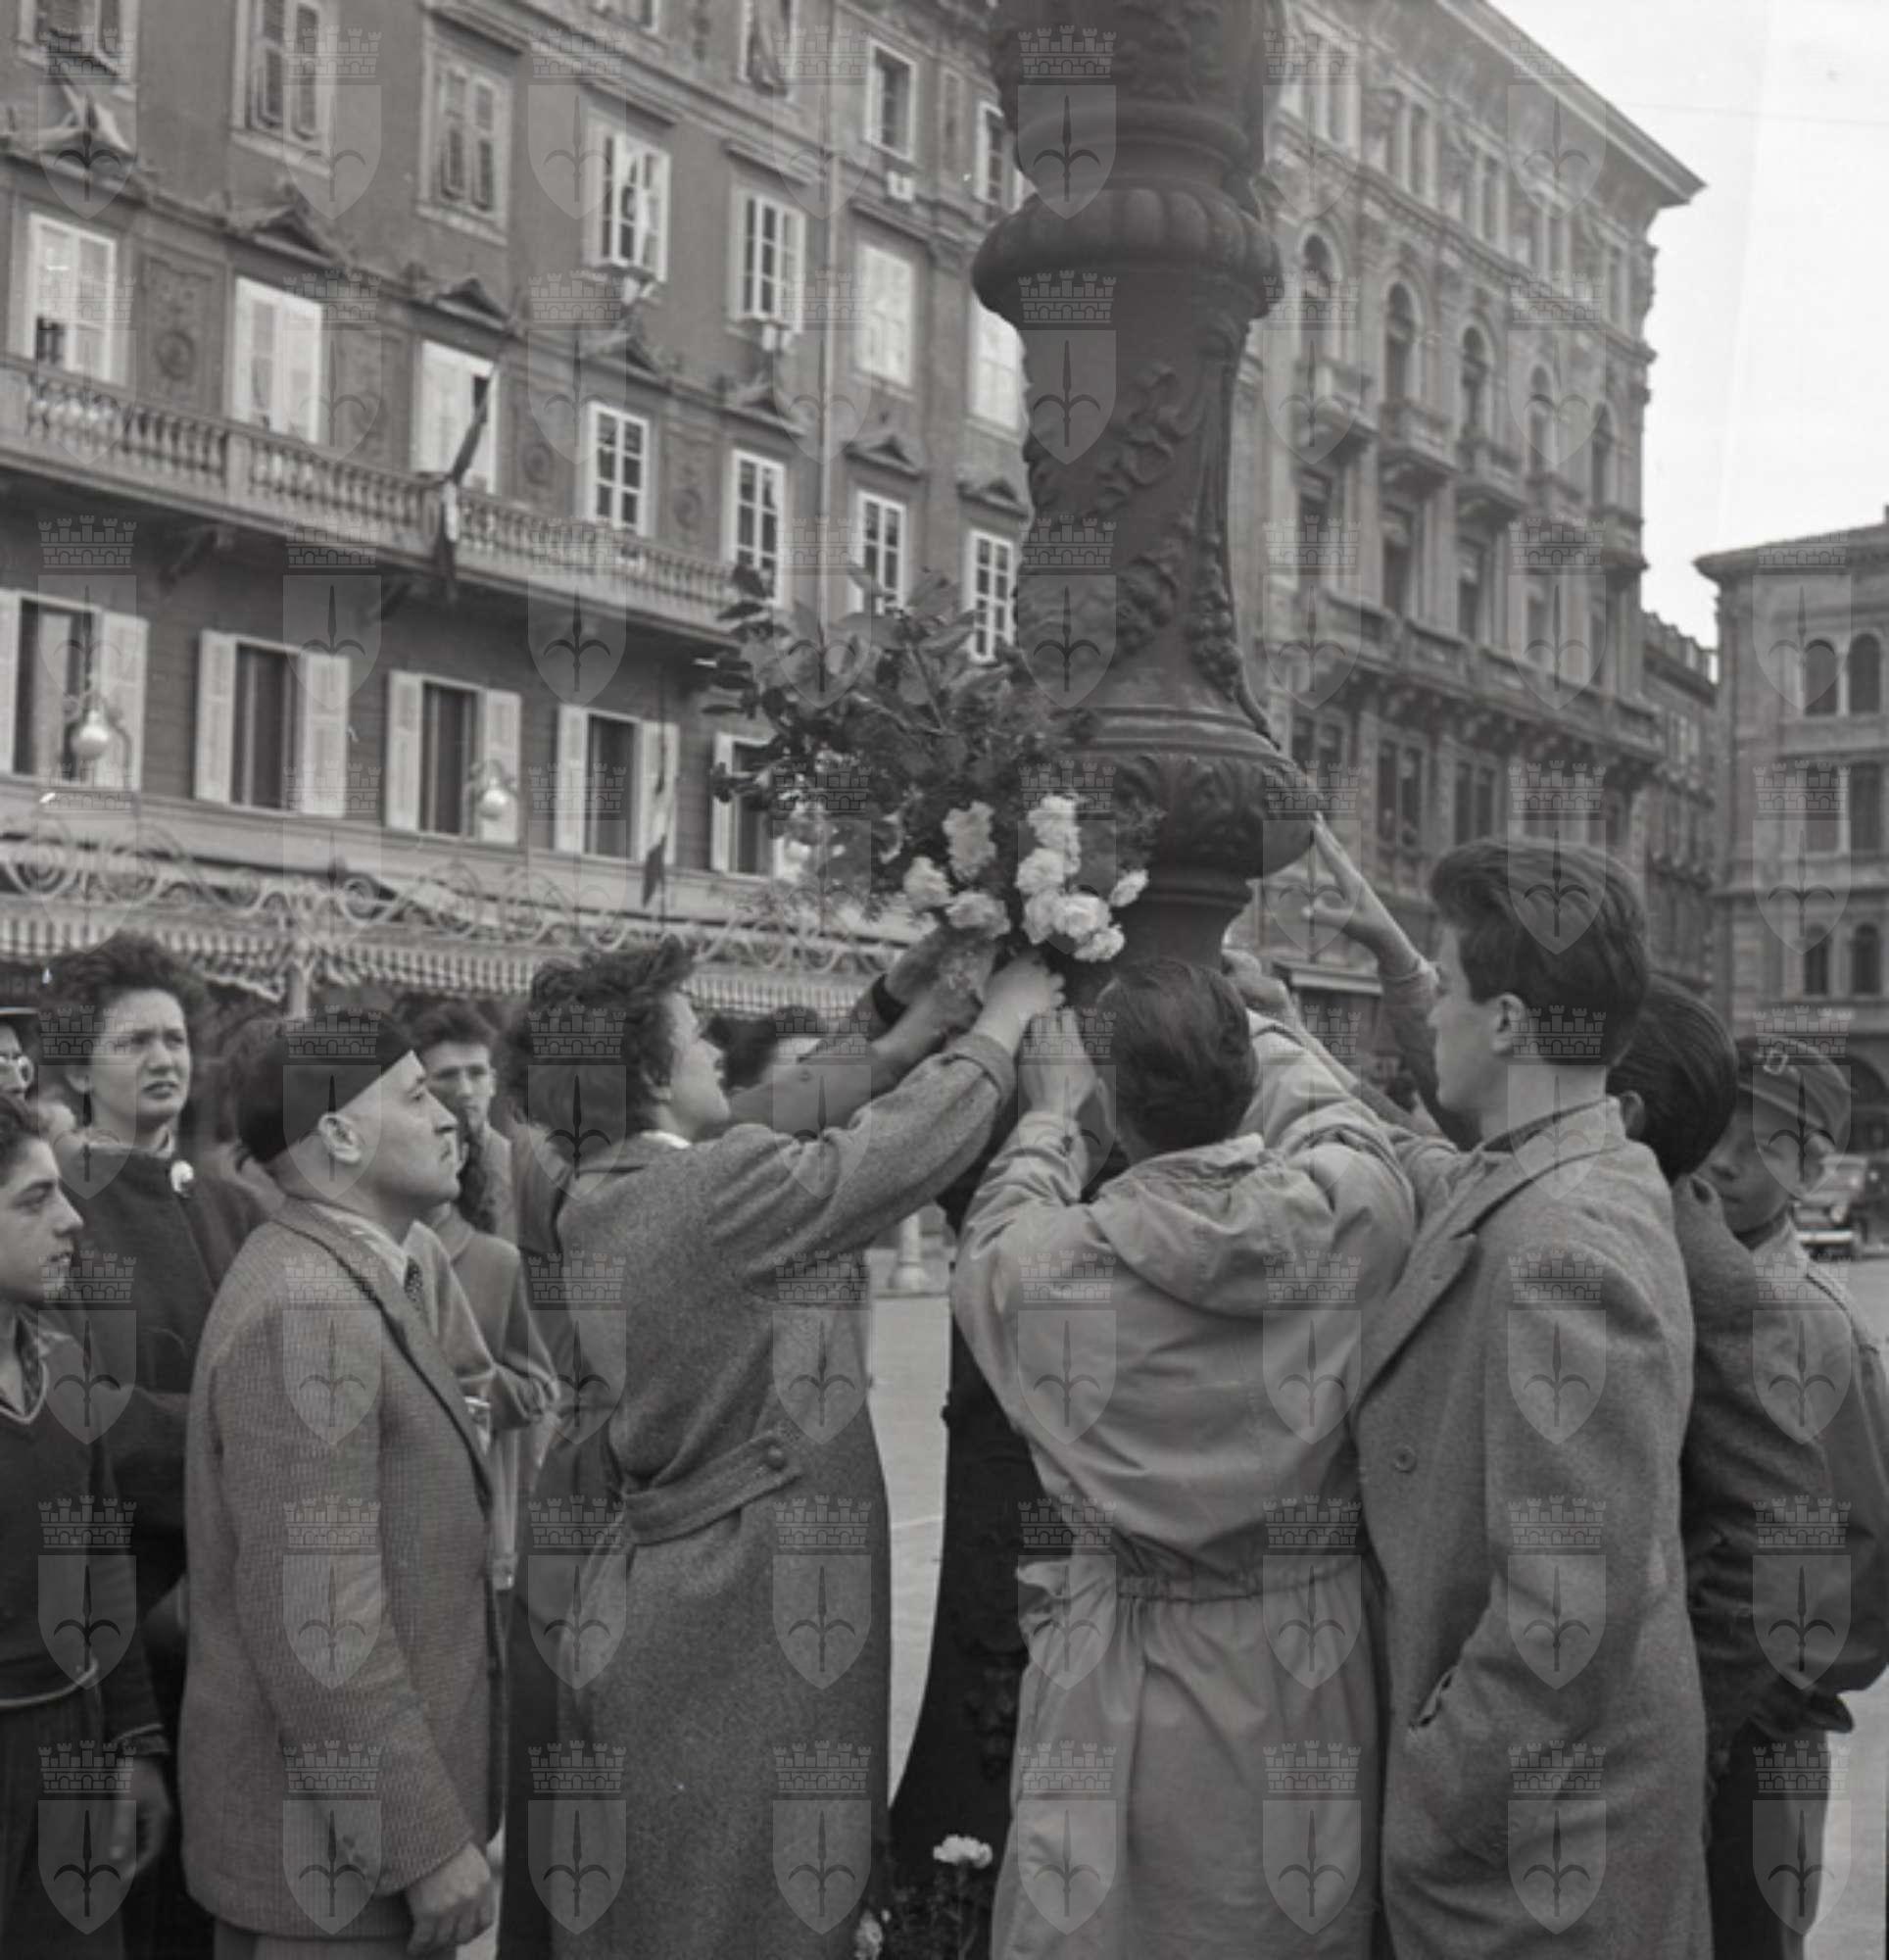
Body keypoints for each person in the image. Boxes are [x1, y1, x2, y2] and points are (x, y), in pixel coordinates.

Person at [523, 937, 1058, 1959]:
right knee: (751, 1910)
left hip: (692, 1600)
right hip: (742, 1612)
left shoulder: (607, 1184)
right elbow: (887, 1154)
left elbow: (785, 1113)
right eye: (696, 1037)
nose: (716, 1051)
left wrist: (897, 1007)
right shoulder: (706, 1189)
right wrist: (1002, 1024)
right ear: (649, 1075)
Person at [1302, 832, 1838, 1810]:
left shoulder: (1603, 1246)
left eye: (1453, 990)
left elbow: (1774, 1546)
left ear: (1623, 1109)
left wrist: (1681, 1726)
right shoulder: (1577, 1175)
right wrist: (1379, 977)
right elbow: (1455, 1144)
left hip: (1559, 1794)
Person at [1278, 834, 1709, 1956]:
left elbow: (1565, 1611)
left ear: (1509, 1022)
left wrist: (1439, 1792)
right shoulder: (1565, 1162)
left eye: (1446, 990)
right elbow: (1442, 1173)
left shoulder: (1560, 1246)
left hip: (1530, 1861)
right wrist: (1283, 1043)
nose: (1431, 1015)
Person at [949, 970, 1414, 1955]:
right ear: (1245, 1084)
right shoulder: (1354, 1219)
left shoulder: (1042, 1268)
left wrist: (1050, 1115)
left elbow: (995, 1224)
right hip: (1306, 1648)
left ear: (1114, 1102)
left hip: (1124, 1659)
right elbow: (1345, 1126)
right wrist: (1262, 1030)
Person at [180, 1011, 501, 1959]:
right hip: (331, 1874)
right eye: (418, 1095)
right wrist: (420, 1841)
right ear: (340, 1136)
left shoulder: (350, 1272)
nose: (449, 1117)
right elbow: (319, 1621)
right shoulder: (310, 1308)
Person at [38, 934, 266, 1960]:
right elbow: (86, 1419)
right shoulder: (56, 1205)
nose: (165, 1057)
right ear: (80, 1068)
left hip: (231, 1613)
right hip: (111, 1616)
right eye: (134, 1041)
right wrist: (243, 1442)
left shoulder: (230, 1204)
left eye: (175, 1037)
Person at [1698, 1037, 1889, 1956]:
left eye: (1765, 1145)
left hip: (1761, 1742)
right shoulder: (1686, 1277)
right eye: (1717, 1131)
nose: (1727, 1162)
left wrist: (1759, 1703)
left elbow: (1859, 1549)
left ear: (1810, 1172)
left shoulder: (1811, 1325)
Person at [0, 1093, 170, 1956]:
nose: (71, 1220)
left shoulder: (66, 1366)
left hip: (72, 1746)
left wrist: (133, 1744)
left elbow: (105, 1562)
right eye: (34, 1200)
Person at [412, 1004, 515, 1243]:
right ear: (420, 1085)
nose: (465, 1090)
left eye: (476, 1073)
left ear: (492, 1083)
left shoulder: (522, 1173)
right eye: (447, 1075)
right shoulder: (405, 1171)